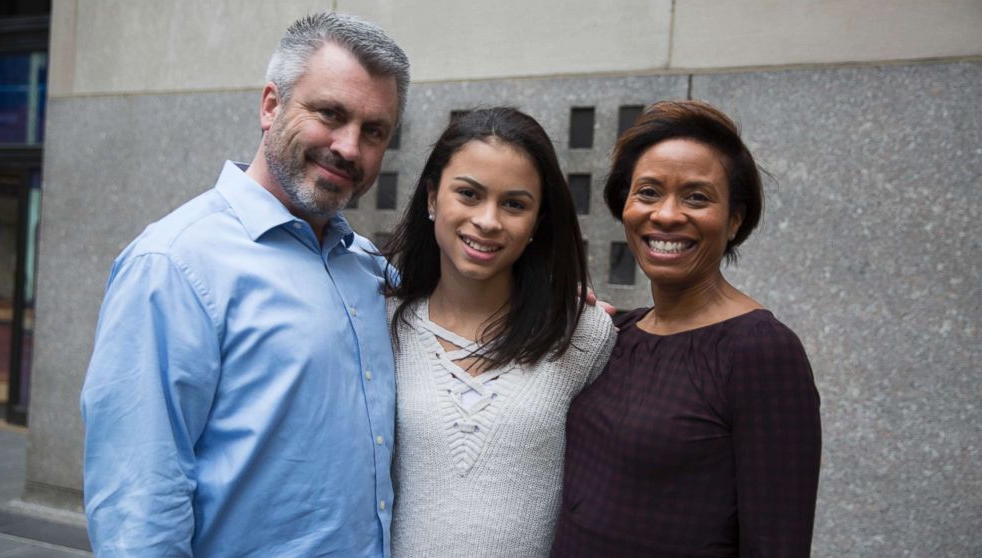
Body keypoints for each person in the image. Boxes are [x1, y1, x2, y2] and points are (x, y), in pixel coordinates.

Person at [80, 13, 409, 556]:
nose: (349, 148)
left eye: (374, 131)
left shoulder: (370, 269)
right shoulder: (173, 264)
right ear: (270, 106)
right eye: (331, 114)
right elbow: (137, 508)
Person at [551, 100, 822, 557]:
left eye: (697, 196)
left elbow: (778, 543)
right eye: (649, 192)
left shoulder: (760, 352)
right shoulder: (615, 332)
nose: (667, 215)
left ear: (734, 219)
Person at [384, 108, 616, 557]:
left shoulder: (581, 333)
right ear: (432, 198)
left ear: (536, 222)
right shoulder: (380, 322)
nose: (488, 221)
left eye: (514, 203)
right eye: (468, 194)